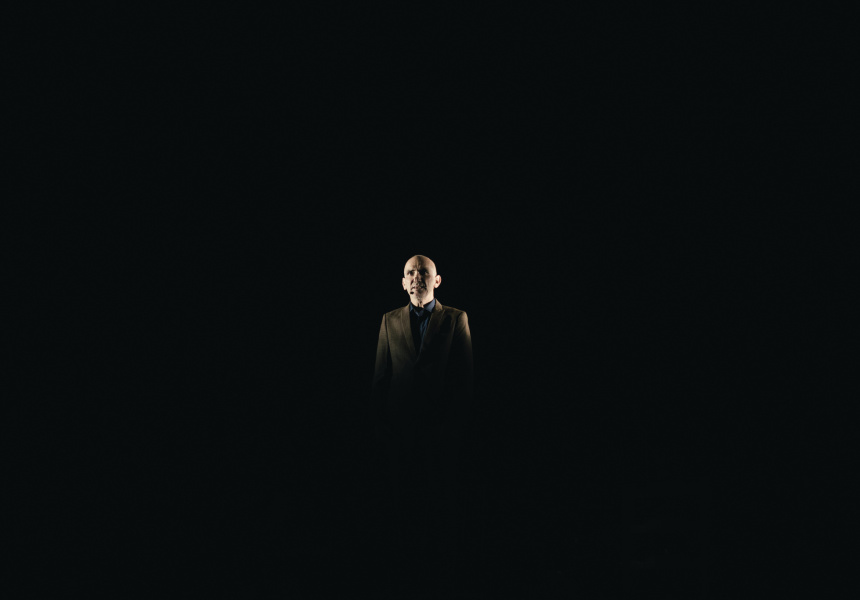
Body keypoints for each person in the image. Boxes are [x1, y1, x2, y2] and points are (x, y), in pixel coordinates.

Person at [371, 254, 474, 592]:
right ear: (403, 283)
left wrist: (451, 430)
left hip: (440, 439)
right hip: (399, 439)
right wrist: (382, 428)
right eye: (410, 273)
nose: (417, 276)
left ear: (437, 280)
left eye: (424, 272)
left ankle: (442, 582)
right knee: (402, 514)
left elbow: (464, 380)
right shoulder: (388, 320)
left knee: (440, 513)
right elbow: (380, 379)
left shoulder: (456, 318)